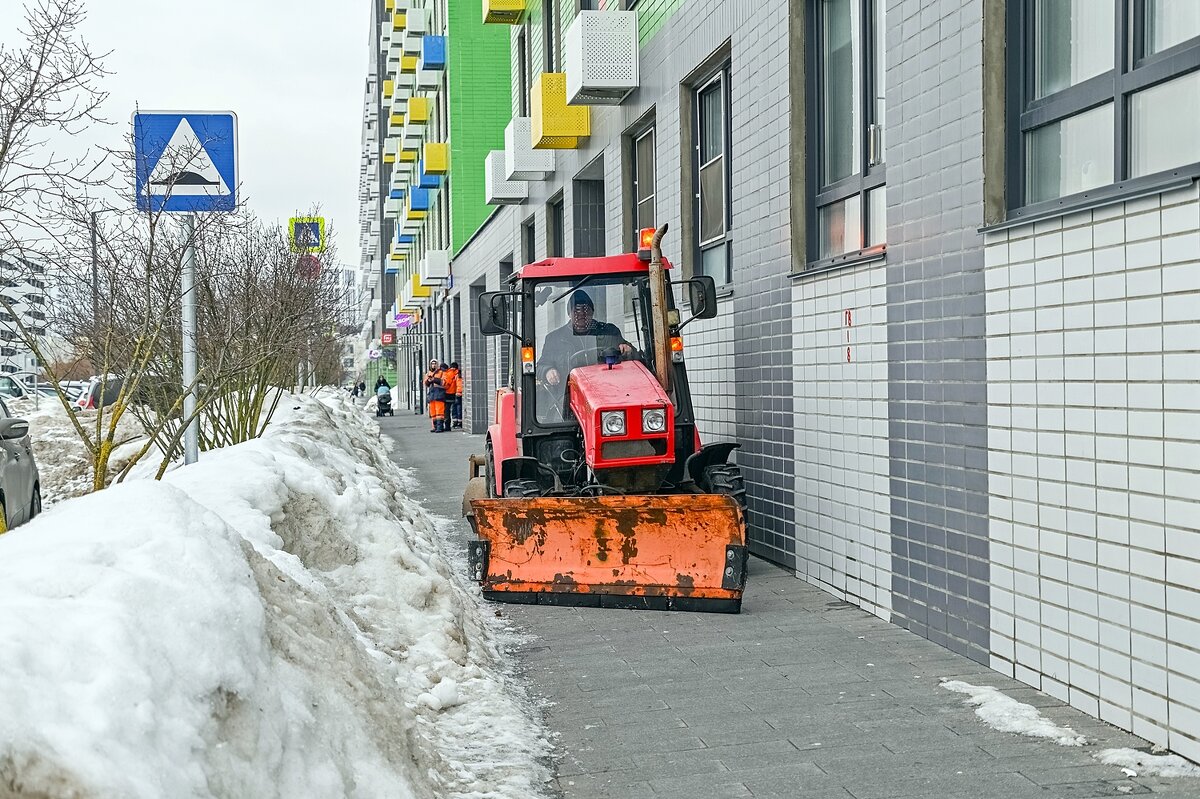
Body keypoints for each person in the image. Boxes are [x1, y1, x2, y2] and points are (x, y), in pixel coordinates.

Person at [539, 289, 633, 387]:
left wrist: (628, 350)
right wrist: (548, 371)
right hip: (568, 393)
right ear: (569, 313)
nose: (581, 315)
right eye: (576, 311)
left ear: (592, 312)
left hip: (606, 388)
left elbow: (636, 356)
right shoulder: (555, 339)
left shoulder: (609, 333)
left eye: (586, 310)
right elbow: (542, 365)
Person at [423, 359, 446, 432]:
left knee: (439, 412)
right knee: (433, 413)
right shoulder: (428, 373)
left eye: (435, 364)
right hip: (432, 394)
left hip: (439, 394)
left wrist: (435, 379)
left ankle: (440, 427)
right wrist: (428, 381)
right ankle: (435, 427)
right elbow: (425, 384)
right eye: (432, 364)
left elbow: (444, 382)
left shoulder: (441, 373)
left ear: (437, 364)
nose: (433, 365)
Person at [441, 361, 460, 431]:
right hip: (454, 393)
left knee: (446, 411)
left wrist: (440, 386)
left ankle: (447, 426)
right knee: (455, 408)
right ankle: (457, 422)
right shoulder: (456, 373)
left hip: (447, 393)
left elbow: (446, 384)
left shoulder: (448, 374)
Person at [448, 362, 463, 429]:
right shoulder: (459, 374)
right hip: (459, 393)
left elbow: (454, 384)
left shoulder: (451, 374)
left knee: (454, 408)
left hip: (454, 393)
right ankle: (459, 421)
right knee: (458, 408)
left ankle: (455, 422)